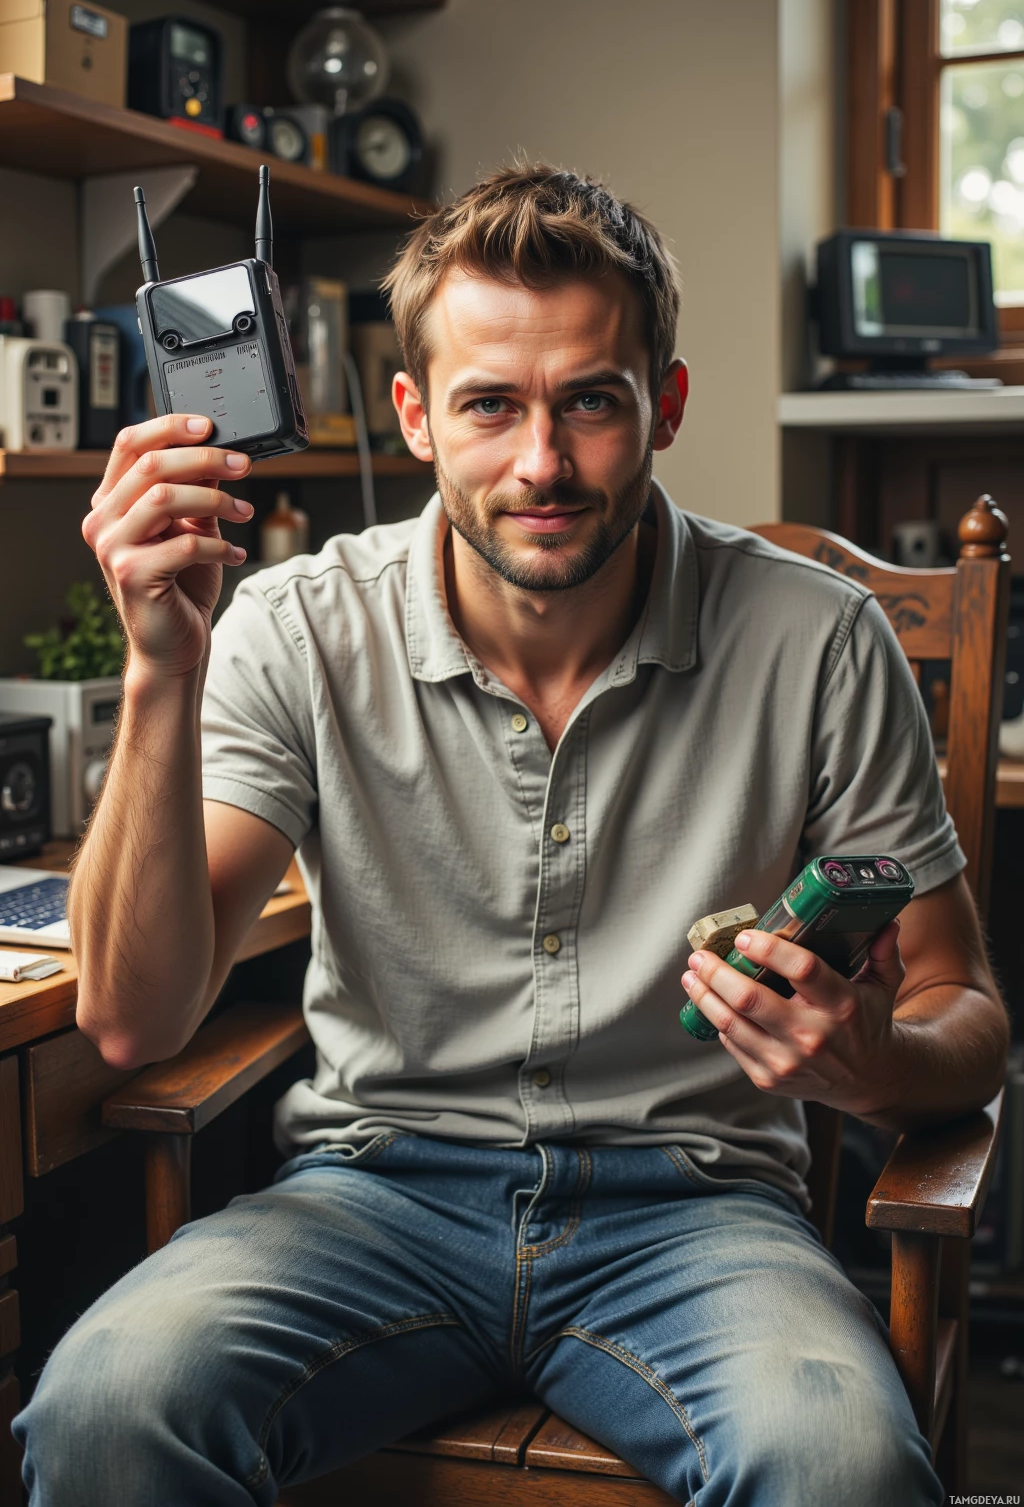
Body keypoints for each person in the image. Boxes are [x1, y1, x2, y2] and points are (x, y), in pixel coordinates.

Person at [15, 163, 1008, 1506]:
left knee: (845, 1469)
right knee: (104, 1410)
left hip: (699, 1213)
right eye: (490, 405)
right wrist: (155, 671)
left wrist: (871, 1059)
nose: (541, 464)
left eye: (590, 402)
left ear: (662, 406)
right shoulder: (297, 626)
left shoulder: (818, 638)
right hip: (372, 1199)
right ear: (418, 418)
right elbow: (134, 1024)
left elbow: (970, 1016)